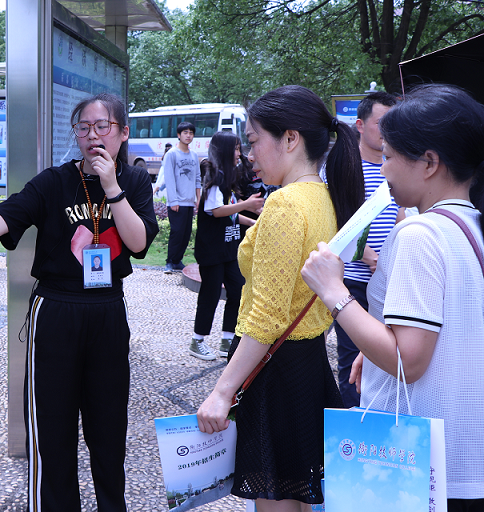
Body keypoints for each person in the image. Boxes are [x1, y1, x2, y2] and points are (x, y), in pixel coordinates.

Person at [0, 92, 158, 512]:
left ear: (123, 132)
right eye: (83, 128)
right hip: (55, 309)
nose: (92, 136)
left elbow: (139, 243)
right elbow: (10, 212)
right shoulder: (55, 181)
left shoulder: (136, 181)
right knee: (52, 430)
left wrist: (112, 187)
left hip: (108, 310)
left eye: (102, 126)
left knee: (109, 429)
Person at [301, 84, 484, 511]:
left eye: (387, 156)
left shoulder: (419, 234)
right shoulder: (473, 225)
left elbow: (408, 361)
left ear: (429, 163)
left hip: (421, 471)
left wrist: (334, 291)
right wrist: (376, 345)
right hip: (466, 458)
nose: (382, 169)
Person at [197, 85, 365, 510]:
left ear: (290, 139)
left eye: (254, 141)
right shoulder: (322, 195)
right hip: (306, 363)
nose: (249, 154)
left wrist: (222, 391)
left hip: (274, 369)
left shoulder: (287, 204)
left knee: (277, 500)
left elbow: (265, 317)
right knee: (301, 497)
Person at [329, 91, 402, 407]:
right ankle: (352, 428)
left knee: (388, 360)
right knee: (352, 362)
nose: (387, 131)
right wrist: (366, 254)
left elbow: (402, 213)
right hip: (354, 282)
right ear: (359, 125)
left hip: (391, 281)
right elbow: (332, 225)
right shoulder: (343, 168)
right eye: (381, 123)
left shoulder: (397, 167)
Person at [188, 131, 264, 361]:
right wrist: (246, 204)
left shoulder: (226, 177)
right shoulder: (215, 177)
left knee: (238, 290)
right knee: (210, 294)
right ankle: (197, 340)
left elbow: (228, 212)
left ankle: (227, 339)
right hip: (212, 249)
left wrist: (252, 221)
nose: (240, 153)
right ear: (224, 150)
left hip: (228, 247)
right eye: (236, 149)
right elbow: (215, 211)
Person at [162, 122, 201, 274]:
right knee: (177, 232)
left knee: (185, 234)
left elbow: (197, 178)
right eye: (185, 132)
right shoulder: (172, 154)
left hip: (189, 202)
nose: (188, 135)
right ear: (179, 135)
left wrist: (198, 199)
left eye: (191, 133)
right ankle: (169, 262)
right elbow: (169, 178)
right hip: (176, 202)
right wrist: (173, 201)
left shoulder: (194, 155)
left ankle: (177, 261)